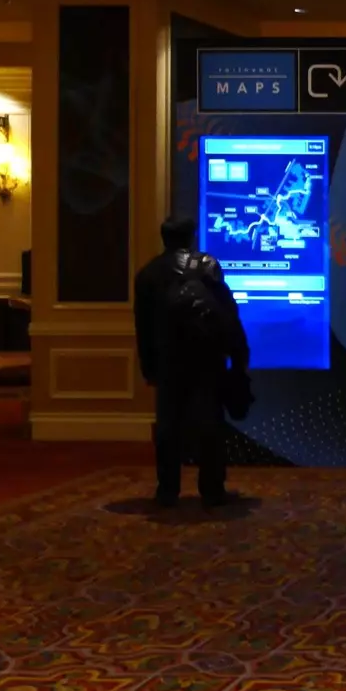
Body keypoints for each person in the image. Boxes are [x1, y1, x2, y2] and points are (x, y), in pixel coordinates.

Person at [133, 216, 250, 507]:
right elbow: (228, 313)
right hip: (207, 358)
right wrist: (238, 357)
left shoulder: (147, 274)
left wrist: (148, 367)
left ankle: (167, 489)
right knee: (209, 424)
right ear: (191, 236)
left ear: (164, 238)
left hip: (168, 360)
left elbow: (143, 327)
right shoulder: (207, 266)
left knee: (168, 427)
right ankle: (212, 489)